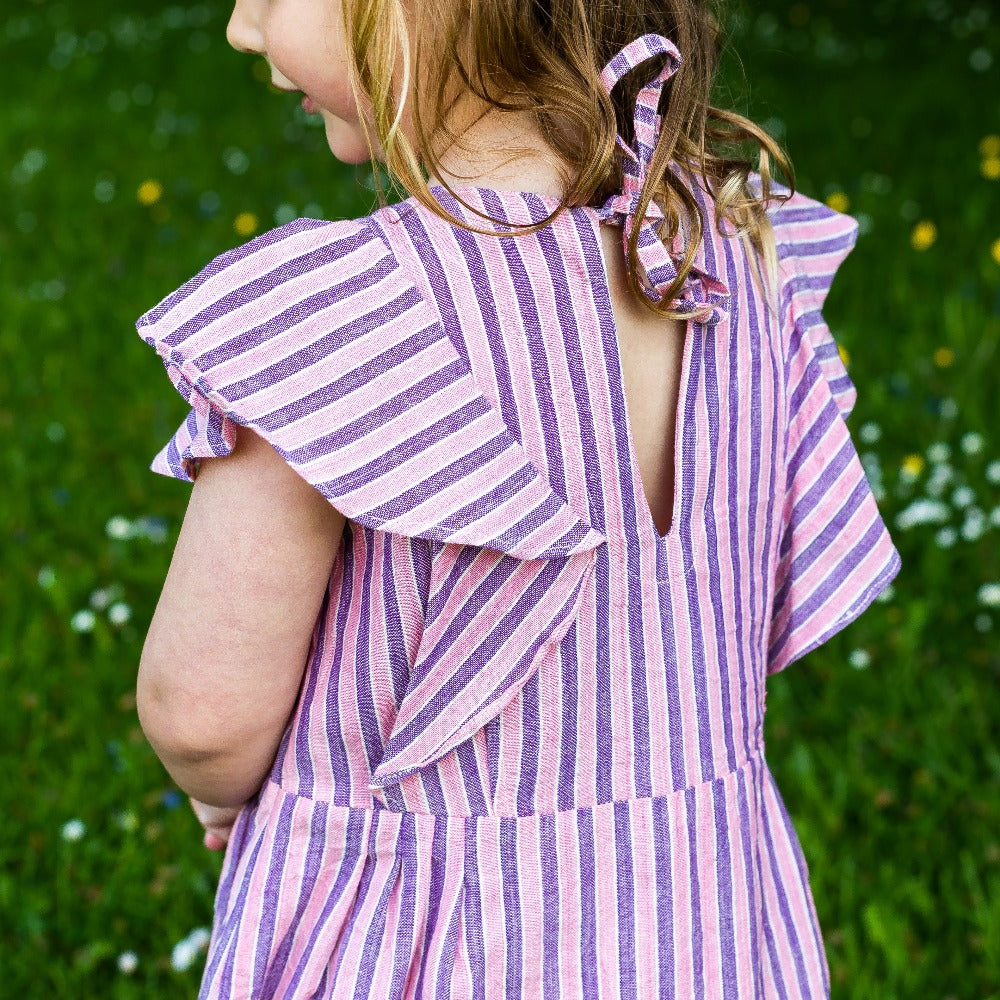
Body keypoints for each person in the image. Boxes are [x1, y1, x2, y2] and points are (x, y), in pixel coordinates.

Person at [134, 0, 902, 996]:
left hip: (427, 933)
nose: (243, 25)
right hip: (700, 920)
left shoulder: (343, 318)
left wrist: (218, 787)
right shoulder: (741, 260)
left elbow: (202, 712)